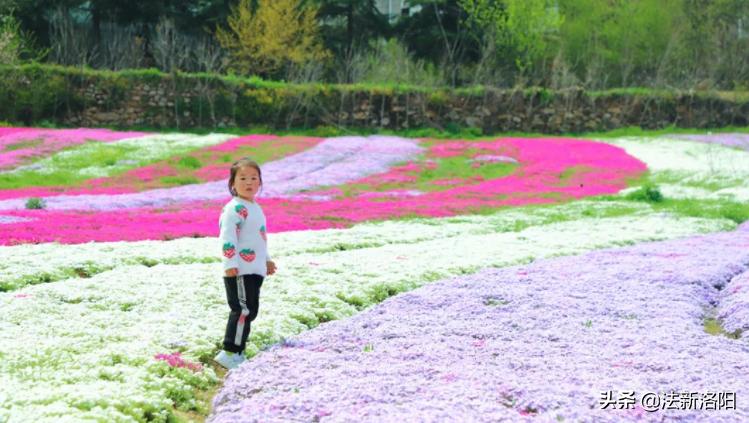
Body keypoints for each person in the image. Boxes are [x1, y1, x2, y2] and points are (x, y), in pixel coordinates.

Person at [214, 157, 277, 369]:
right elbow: (227, 237)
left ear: (260, 183)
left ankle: (239, 351)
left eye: (253, 178)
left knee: (250, 310)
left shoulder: (255, 208)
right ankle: (230, 352)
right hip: (239, 269)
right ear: (232, 184)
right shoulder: (234, 208)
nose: (249, 182)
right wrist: (230, 262)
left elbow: (258, 238)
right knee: (242, 310)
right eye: (243, 178)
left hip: (254, 269)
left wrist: (267, 260)